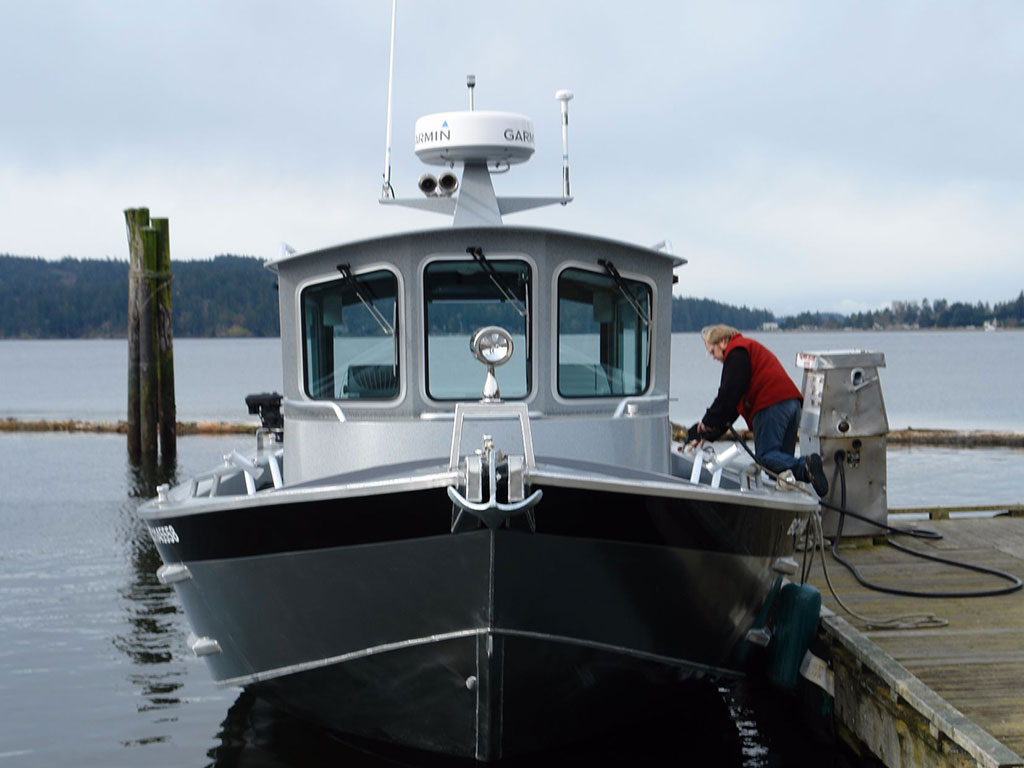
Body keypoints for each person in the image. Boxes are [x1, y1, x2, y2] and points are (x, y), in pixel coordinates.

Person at [687, 324, 828, 496]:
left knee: (765, 457)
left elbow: (728, 394)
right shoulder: (748, 351)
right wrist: (707, 434)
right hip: (792, 404)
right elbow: (732, 408)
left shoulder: (737, 352)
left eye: (712, 351)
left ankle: (806, 466)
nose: (713, 357)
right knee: (780, 469)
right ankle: (792, 491)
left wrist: (706, 422)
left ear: (723, 341)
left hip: (771, 405)